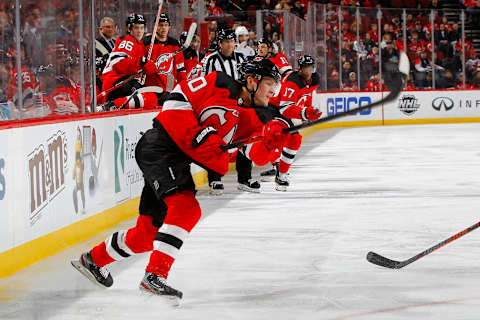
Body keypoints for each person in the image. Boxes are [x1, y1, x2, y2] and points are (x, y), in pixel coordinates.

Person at [72, 58, 286, 300]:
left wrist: (271, 144)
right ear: (251, 81)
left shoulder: (260, 115)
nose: (272, 91)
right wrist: (197, 135)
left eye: (275, 86)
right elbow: (176, 98)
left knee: (147, 234)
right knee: (186, 208)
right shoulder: (219, 82)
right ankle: (154, 276)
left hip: (176, 160)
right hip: (159, 146)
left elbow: (253, 153)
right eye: (269, 83)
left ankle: (93, 259)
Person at [202, 29, 260, 195]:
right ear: (219, 43)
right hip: (219, 106)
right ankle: (215, 179)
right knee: (217, 142)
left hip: (240, 104)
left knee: (245, 139)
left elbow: (249, 79)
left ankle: (244, 178)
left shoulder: (241, 58)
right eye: (226, 42)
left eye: (231, 41)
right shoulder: (211, 59)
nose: (229, 44)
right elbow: (206, 83)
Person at [263, 55, 322, 190]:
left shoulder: (315, 79)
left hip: (287, 110)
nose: (308, 72)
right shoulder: (292, 82)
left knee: (295, 140)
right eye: (305, 69)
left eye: (311, 68)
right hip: (275, 109)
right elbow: (285, 108)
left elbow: (307, 94)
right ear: (300, 69)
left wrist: (308, 111)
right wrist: (305, 112)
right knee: (280, 137)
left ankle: (281, 174)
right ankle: (277, 166)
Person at [99, 13, 163, 110]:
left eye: (142, 28)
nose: (140, 31)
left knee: (151, 97)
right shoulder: (128, 41)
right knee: (150, 98)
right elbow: (118, 63)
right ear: (129, 29)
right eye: (136, 28)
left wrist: (146, 66)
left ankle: (112, 106)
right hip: (117, 82)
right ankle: (109, 106)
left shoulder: (139, 44)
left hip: (124, 82)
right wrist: (141, 62)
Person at [142, 13, 186, 93]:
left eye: (166, 25)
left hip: (169, 89)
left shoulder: (175, 44)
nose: (164, 28)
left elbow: (180, 69)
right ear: (155, 27)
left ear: (169, 27)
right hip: (150, 88)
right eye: (161, 25)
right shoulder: (146, 43)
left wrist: (183, 88)